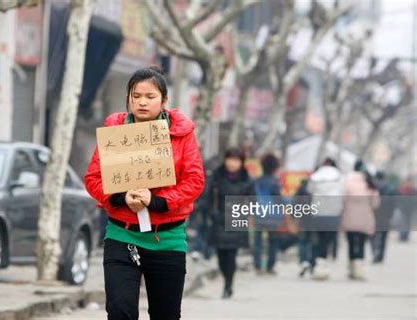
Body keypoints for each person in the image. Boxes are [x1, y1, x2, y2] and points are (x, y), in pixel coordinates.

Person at [85, 66, 205, 320]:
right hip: (122, 235)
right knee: (120, 312)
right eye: (136, 96)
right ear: (128, 98)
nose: (142, 102)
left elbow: (195, 181)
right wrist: (120, 198)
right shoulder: (115, 132)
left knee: (165, 315)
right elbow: (93, 179)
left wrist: (158, 201)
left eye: (150, 97)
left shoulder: (182, 134)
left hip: (167, 239)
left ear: (163, 101)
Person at [207, 148, 255, 299]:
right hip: (220, 217)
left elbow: (252, 200)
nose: (232, 163)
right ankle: (226, 277)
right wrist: (211, 213)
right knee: (221, 255)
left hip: (237, 217)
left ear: (241, 162)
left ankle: (228, 284)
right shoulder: (217, 176)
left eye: (236, 160)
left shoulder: (247, 179)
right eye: (230, 159)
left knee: (232, 254)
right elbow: (208, 196)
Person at [341, 160, 380, 281]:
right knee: (362, 243)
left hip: (349, 217)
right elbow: (375, 203)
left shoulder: (347, 181)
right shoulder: (369, 182)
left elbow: (343, 199)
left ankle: (352, 268)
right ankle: (360, 269)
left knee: (351, 243)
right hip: (365, 218)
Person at [307, 158, 343, 280]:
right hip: (333, 214)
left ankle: (316, 266)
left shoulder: (315, 177)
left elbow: (309, 190)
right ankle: (322, 266)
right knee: (327, 242)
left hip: (318, 214)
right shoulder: (340, 178)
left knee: (316, 240)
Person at [253, 153, 282, 275]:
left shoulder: (256, 181)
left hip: (259, 213)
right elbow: (278, 199)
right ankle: (270, 266)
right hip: (272, 215)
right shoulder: (275, 182)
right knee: (272, 241)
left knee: (258, 241)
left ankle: (258, 266)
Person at [371, 171, 396, 263]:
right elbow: (393, 203)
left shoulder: (374, 187)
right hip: (386, 215)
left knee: (373, 235)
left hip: (375, 214)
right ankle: (381, 255)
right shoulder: (391, 188)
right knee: (384, 236)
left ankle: (375, 250)